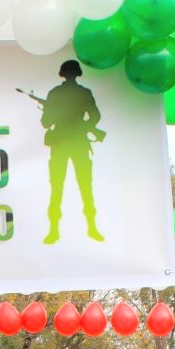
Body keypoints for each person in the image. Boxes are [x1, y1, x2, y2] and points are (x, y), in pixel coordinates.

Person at [39, 59, 104, 244]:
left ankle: (56, 230)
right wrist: (84, 127)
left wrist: (52, 113)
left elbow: (45, 122)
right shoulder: (83, 93)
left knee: (59, 187)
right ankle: (88, 228)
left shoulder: (55, 94)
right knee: (84, 187)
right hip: (74, 142)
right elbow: (95, 116)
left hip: (65, 142)